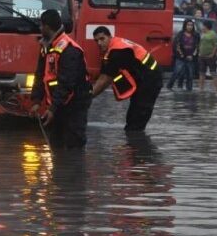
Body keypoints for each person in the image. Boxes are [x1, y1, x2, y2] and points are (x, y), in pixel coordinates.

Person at [29, 9, 92, 149]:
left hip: (75, 103)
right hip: (59, 103)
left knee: (73, 143)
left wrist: (53, 108)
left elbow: (67, 83)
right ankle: (60, 162)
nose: (40, 28)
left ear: (47, 27)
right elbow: (40, 75)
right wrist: (36, 101)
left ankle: (74, 162)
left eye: (41, 25)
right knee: (56, 143)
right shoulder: (47, 47)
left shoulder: (69, 50)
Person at [91, 27, 162, 131]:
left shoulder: (117, 51)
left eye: (102, 39)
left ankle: (135, 137)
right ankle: (133, 136)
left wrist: (87, 96)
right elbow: (102, 75)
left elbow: (104, 80)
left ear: (110, 37)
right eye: (96, 41)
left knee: (138, 115)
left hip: (150, 80)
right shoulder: (112, 48)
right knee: (133, 114)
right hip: (143, 78)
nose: (99, 43)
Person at [167, 20, 198, 91]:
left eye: (191, 25)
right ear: (185, 26)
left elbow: (197, 47)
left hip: (191, 58)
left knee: (190, 75)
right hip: (181, 58)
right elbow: (176, 46)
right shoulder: (180, 35)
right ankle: (169, 87)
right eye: (188, 25)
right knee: (176, 73)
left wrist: (192, 56)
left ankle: (189, 90)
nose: (190, 27)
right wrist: (183, 56)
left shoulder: (195, 35)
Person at [197, 21, 217, 91]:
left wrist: (212, 54)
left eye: (203, 26)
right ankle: (201, 88)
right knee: (201, 73)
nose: (202, 27)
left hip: (210, 57)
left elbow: (216, 45)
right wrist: (199, 52)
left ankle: (216, 89)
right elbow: (200, 43)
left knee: (213, 73)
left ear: (206, 26)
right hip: (202, 56)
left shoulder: (213, 34)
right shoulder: (202, 34)